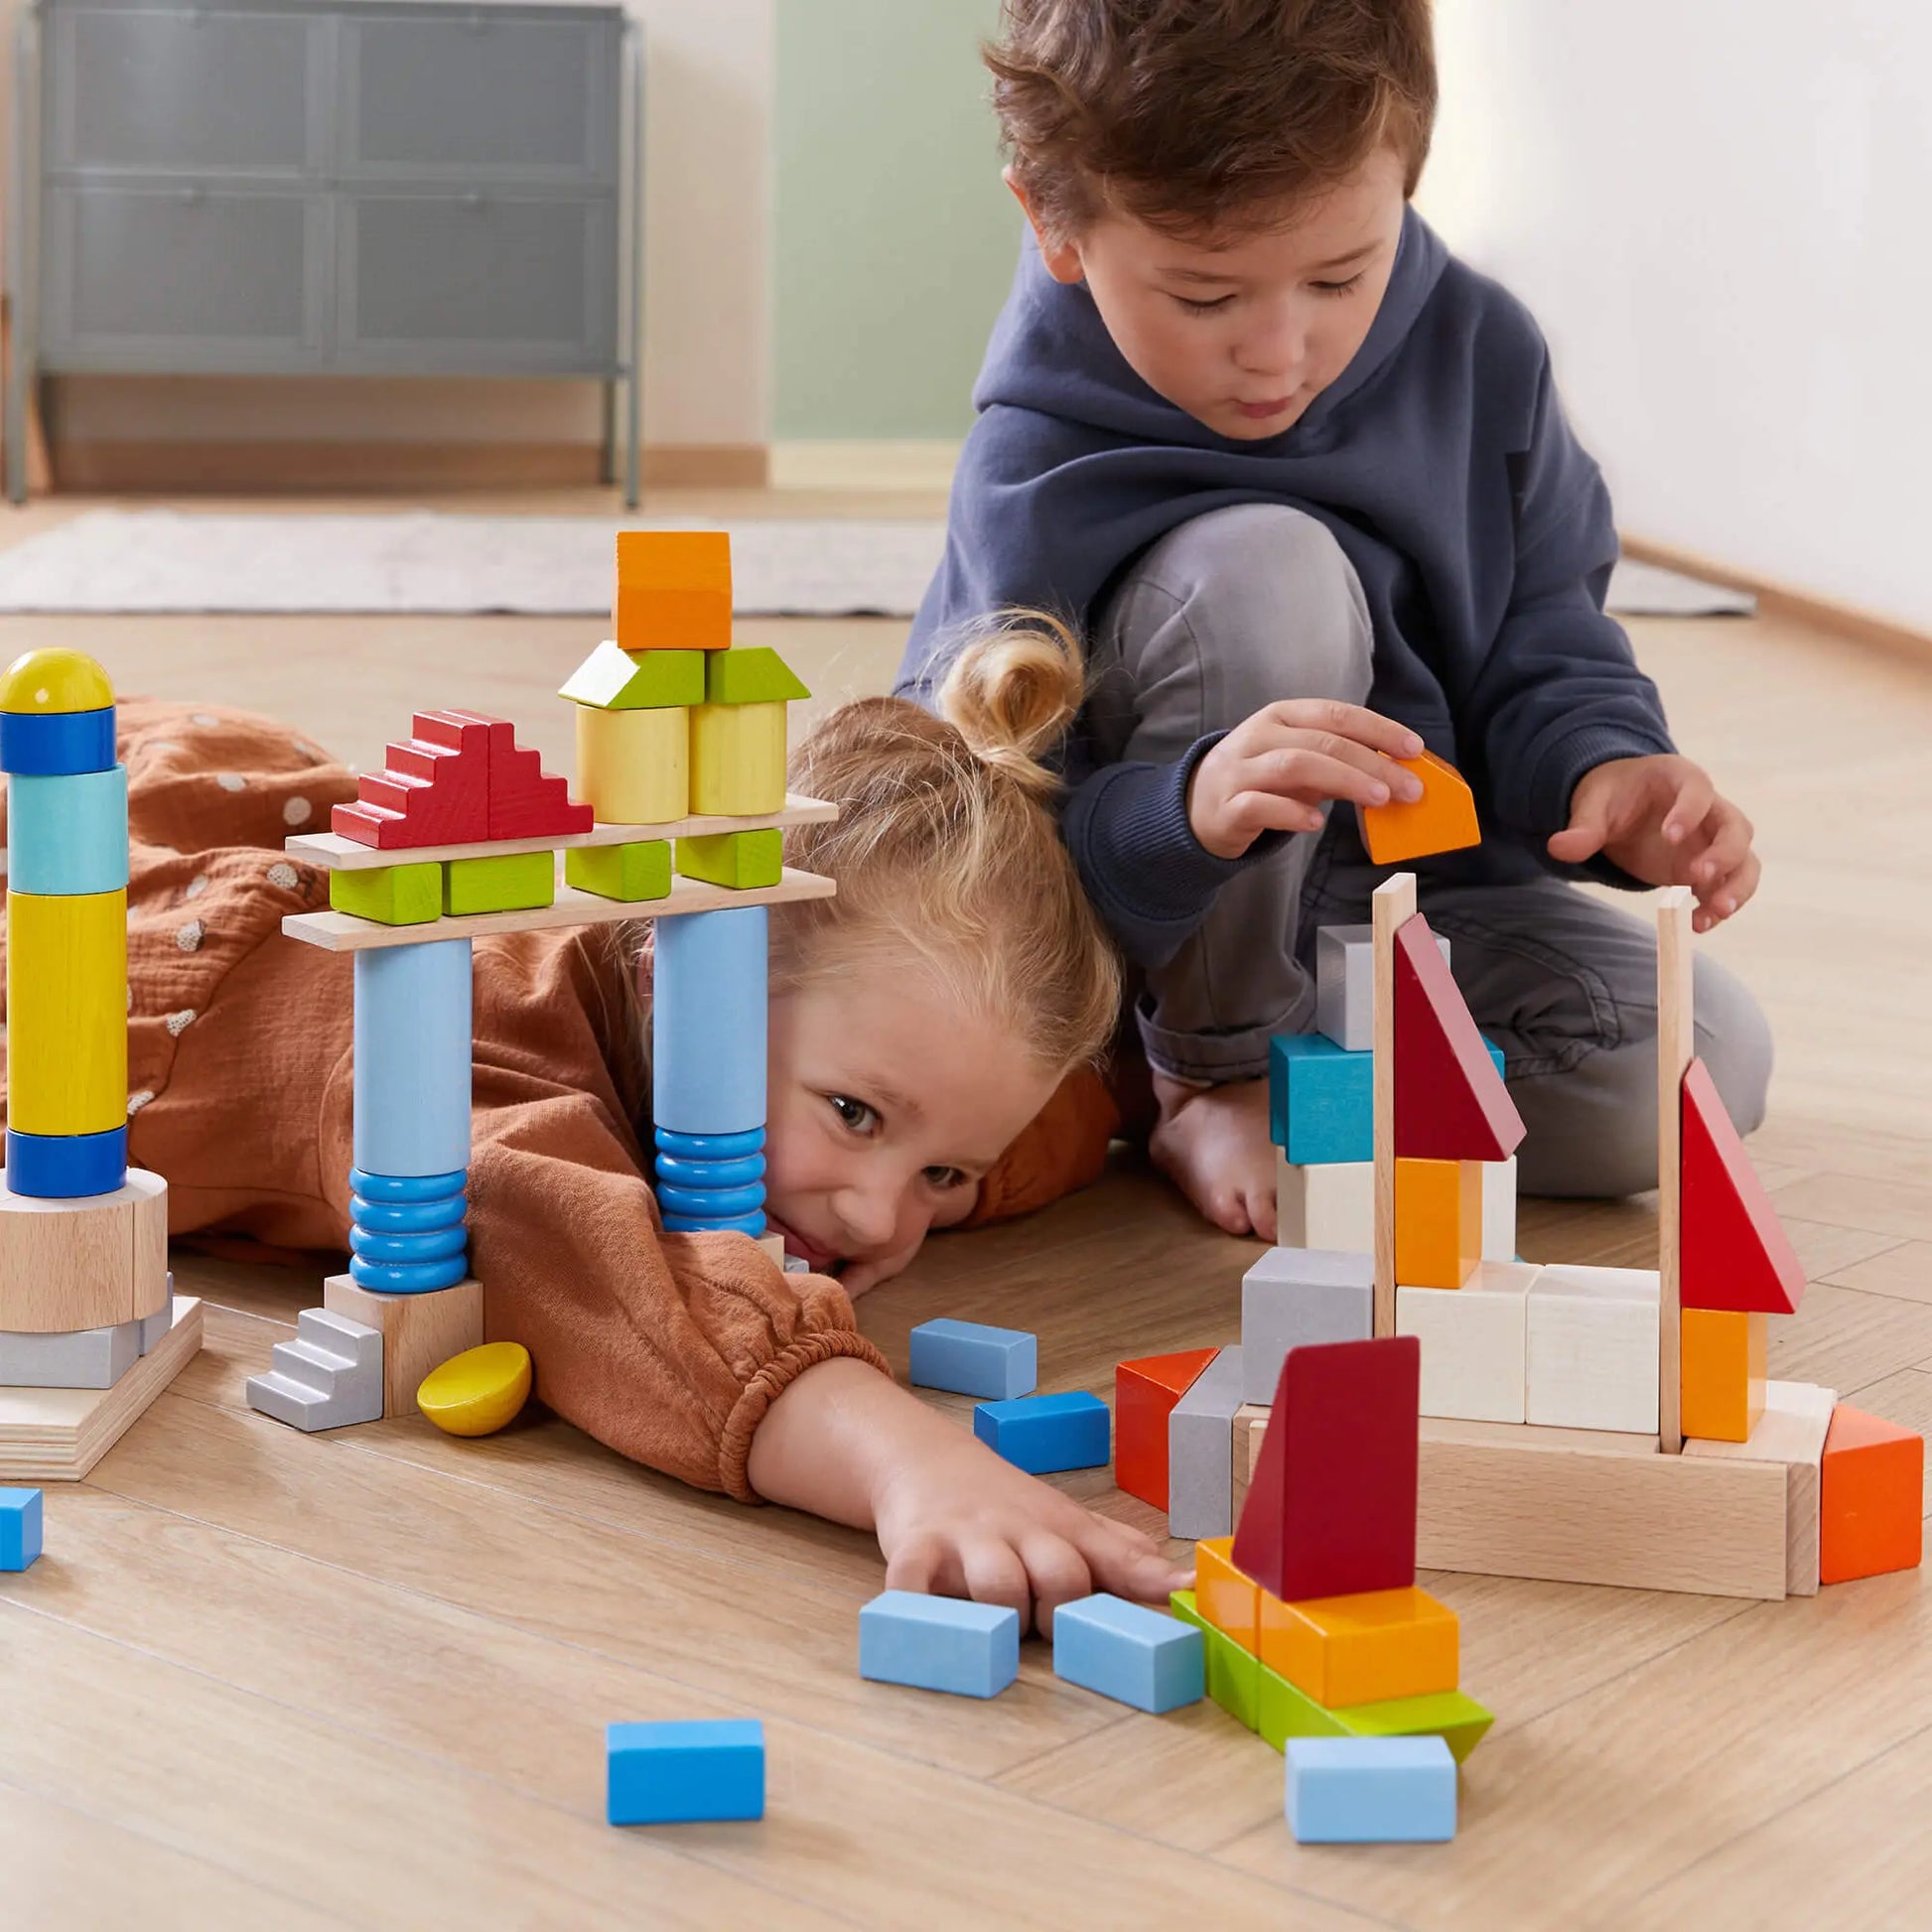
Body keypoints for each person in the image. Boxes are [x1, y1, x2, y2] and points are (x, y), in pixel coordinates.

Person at [0, 622, 1181, 1629]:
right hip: (121, 890)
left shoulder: (908, 1056)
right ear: (690, 980)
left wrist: (1181, 1101)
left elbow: (1048, 1122)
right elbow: (586, 1259)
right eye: (854, 1114)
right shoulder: (473, 1049)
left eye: (941, 1175)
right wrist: (902, 1456)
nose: (881, 1212)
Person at [899, 0, 1773, 1243]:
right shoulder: (1036, 454)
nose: (1277, 350)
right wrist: (1189, 812)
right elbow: (997, 823)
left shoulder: (1482, 351)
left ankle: (1227, 1082)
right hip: (1115, 916)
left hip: (1382, 917)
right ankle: (1205, 1066)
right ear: (1052, 224)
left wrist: (1607, 764)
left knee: (1697, 1067)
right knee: (1266, 568)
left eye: (1337, 276)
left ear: (1405, 185)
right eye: (1203, 296)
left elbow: (1541, 631)